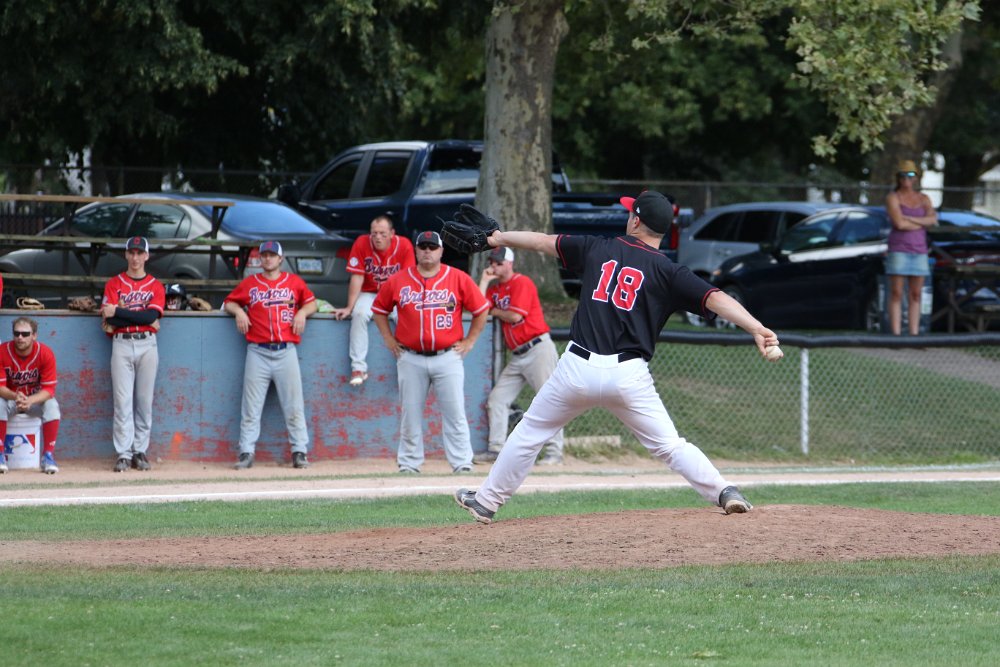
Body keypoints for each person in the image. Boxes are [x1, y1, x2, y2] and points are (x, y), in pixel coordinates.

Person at [456, 191, 776, 524]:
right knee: (671, 446)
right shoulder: (669, 271)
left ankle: (487, 502)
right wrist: (756, 327)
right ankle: (725, 491)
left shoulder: (598, 248)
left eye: (629, 213)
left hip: (576, 369)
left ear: (636, 220)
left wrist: (498, 237)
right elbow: (715, 297)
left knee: (530, 433)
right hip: (628, 376)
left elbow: (542, 241)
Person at [372, 230, 490, 474]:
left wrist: (470, 340)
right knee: (410, 414)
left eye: (432, 247)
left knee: (455, 413)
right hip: (410, 357)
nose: (427, 251)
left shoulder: (457, 278)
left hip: (448, 356)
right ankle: (409, 463)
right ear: (416, 250)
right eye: (423, 246)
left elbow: (481, 309)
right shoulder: (398, 280)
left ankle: (462, 463)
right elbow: (379, 309)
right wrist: (388, 339)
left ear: (441, 251)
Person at [223, 240, 317, 469]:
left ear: (280, 259)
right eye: (264, 255)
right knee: (251, 407)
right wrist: (239, 312)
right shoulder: (250, 283)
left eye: (272, 255)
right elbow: (229, 302)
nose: (267, 259)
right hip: (258, 351)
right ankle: (246, 452)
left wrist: (302, 313)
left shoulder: (293, 282)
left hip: (286, 350)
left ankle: (299, 452)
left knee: (294, 406)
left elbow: (312, 303)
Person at [474, 246, 564, 465]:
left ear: (509, 263)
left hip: (537, 349)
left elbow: (515, 316)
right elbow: (477, 307)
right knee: (497, 400)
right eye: (492, 262)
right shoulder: (495, 289)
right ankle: (496, 449)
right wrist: (484, 282)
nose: (494, 266)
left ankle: (555, 452)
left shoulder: (522, 282)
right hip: (517, 355)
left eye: (499, 262)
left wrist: (493, 310)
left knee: (549, 400)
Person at [102, 236, 165, 472]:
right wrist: (137, 317)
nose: (135, 257)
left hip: (147, 345)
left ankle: (140, 451)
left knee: (144, 402)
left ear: (147, 256)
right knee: (122, 402)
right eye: (132, 252)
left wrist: (119, 311)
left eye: (140, 253)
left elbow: (151, 316)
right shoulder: (113, 283)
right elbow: (111, 321)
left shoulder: (156, 285)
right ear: (126, 254)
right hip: (121, 344)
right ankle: (123, 453)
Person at [332, 215, 415, 386]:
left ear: (392, 233)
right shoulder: (362, 243)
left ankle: (408, 368)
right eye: (374, 233)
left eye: (383, 234)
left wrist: (403, 304)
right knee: (359, 314)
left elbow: (408, 279)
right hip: (370, 293)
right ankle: (358, 368)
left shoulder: (404, 244)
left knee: (404, 318)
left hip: (395, 293)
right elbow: (357, 276)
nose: (378, 237)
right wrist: (349, 307)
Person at [0, 317, 60, 474]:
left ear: (34, 335)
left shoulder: (45, 353)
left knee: (52, 405)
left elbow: (49, 390)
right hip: (11, 400)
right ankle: (0, 454)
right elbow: (0, 387)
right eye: (17, 333)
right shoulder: (2, 351)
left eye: (25, 334)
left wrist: (30, 400)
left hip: (34, 400)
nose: (20, 337)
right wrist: (15, 396)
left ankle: (48, 456)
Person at [885, 159, 938, 336]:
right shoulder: (893, 197)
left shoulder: (923, 198)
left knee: (916, 294)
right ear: (898, 178)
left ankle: (914, 334)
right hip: (899, 249)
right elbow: (899, 223)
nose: (906, 178)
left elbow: (933, 219)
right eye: (902, 175)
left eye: (910, 175)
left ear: (916, 177)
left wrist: (910, 218)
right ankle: (896, 334)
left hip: (919, 250)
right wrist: (921, 223)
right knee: (896, 293)